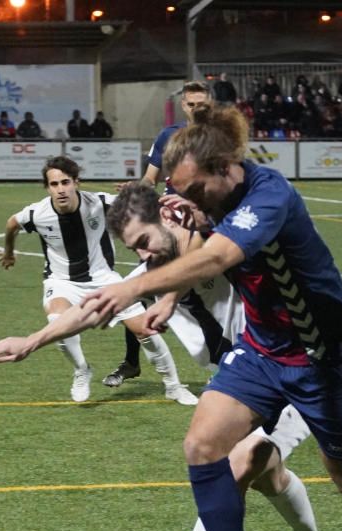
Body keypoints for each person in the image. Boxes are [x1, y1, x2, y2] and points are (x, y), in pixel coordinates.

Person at [58, 104, 342, 531]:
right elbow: (187, 251)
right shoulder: (208, 200)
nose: (189, 202)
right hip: (261, 351)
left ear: (226, 168)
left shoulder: (269, 195)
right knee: (203, 446)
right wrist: (32, 341)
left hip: (324, 359)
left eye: (194, 191)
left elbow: (216, 256)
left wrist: (139, 292)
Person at [104, 183, 335, 531]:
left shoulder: (220, 245)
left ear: (170, 218)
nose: (143, 253)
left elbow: (217, 225)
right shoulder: (155, 269)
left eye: (145, 240)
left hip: (290, 366)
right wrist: (39, 337)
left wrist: (178, 200)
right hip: (240, 380)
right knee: (266, 470)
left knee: (238, 466)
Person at [0, 155, 197, 406]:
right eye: (54, 184)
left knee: (145, 330)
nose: (61, 189)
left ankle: (173, 387)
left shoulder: (99, 202)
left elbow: (137, 206)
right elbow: (11, 224)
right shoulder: (36, 214)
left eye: (65, 182)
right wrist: (9, 252)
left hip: (104, 279)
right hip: (62, 281)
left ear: (76, 182)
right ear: (47, 188)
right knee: (56, 322)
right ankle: (81, 370)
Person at [102, 80, 213, 389]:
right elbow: (150, 178)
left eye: (201, 104)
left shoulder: (216, 139)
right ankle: (132, 362)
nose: (195, 109)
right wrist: (135, 189)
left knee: (207, 295)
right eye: (191, 104)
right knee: (138, 289)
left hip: (202, 224)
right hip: (169, 222)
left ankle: (228, 364)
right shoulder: (168, 136)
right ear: (183, 105)